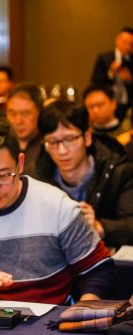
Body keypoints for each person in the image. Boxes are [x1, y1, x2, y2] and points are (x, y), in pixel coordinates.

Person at [0, 116, 115, 304]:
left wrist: (82, 310)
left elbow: (99, 269)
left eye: (3, 175)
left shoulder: (55, 206)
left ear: (20, 163)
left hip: (52, 318)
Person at [35, 100, 133, 248]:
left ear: (87, 138)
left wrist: (99, 227)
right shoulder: (36, 177)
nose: (62, 151)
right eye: (53, 142)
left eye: (70, 139)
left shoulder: (118, 171)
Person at [90, 27, 133, 121]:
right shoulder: (104, 58)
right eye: (124, 42)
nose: (127, 47)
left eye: (131, 44)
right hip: (109, 103)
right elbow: (95, 83)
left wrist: (130, 80)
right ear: (117, 40)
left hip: (129, 104)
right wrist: (111, 73)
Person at [6, 83, 44, 176]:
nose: (18, 121)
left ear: (40, 113)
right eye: (12, 113)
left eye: (25, 113)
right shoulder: (0, 147)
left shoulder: (48, 148)